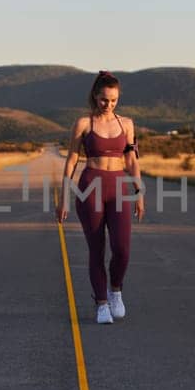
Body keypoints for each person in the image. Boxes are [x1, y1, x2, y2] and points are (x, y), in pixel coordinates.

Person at [56, 70, 145, 324]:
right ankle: (101, 303)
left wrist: (139, 193)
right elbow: (72, 159)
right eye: (105, 99)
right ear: (95, 96)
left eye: (114, 100)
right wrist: (64, 197)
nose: (109, 105)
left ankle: (115, 290)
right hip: (89, 187)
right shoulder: (84, 124)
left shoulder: (126, 124)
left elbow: (132, 161)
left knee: (122, 248)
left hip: (118, 187)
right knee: (97, 249)